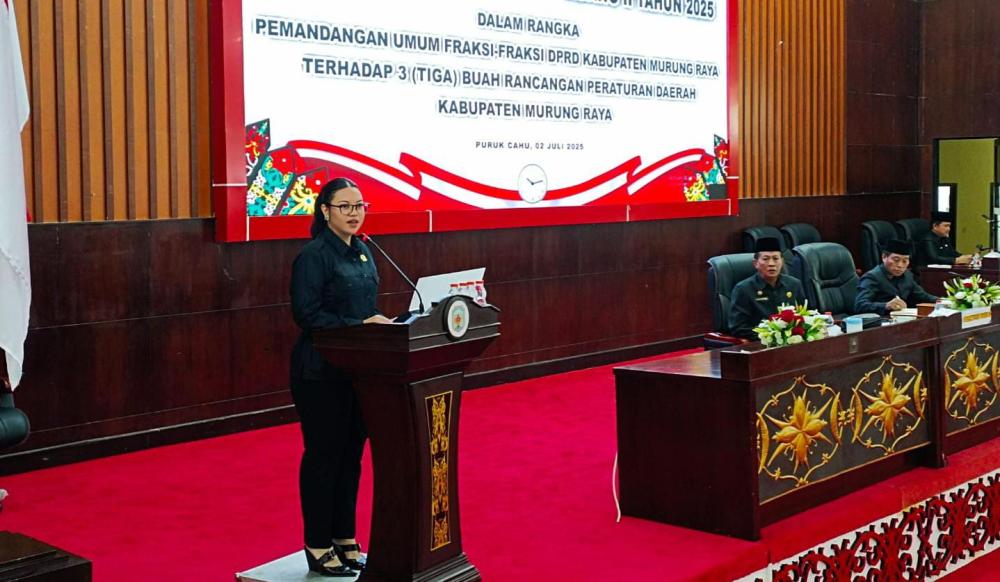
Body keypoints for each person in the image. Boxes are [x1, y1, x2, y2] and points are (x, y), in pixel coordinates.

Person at [289, 177, 394, 577]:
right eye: (345, 206)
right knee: (324, 457)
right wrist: (360, 325)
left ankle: (344, 537)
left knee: (351, 455)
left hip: (360, 370)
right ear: (325, 210)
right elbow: (307, 315)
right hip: (320, 372)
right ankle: (318, 544)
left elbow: (366, 307)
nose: (354, 213)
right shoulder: (314, 256)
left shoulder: (364, 250)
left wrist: (379, 324)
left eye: (359, 206)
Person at [728, 237, 808, 340]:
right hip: (759, 342)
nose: (771, 264)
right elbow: (738, 328)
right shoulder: (743, 289)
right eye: (765, 259)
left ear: (782, 261)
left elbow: (804, 315)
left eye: (775, 258)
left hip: (792, 341)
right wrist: (771, 336)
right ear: (755, 263)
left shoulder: (794, 284)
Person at [855, 239, 937, 316]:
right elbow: (859, 305)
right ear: (884, 257)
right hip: (881, 320)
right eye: (896, 260)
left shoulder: (907, 275)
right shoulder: (872, 277)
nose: (900, 265)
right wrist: (886, 305)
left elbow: (922, 295)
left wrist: (940, 301)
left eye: (905, 261)